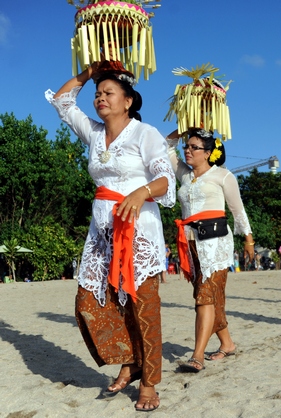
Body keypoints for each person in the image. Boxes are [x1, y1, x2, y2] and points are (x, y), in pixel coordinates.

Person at [45, 61, 176, 412]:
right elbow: (61, 102)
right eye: (98, 93)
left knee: (143, 307)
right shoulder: (93, 132)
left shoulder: (145, 133)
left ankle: (148, 382)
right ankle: (130, 359)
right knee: (90, 302)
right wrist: (90, 73)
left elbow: (166, 180)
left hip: (139, 231)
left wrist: (141, 192)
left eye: (108, 92)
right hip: (101, 234)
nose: (100, 98)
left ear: (128, 100)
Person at [167, 128, 254, 372]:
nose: (188, 150)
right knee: (210, 297)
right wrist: (183, 129)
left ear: (208, 153)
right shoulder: (184, 175)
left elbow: (238, 211)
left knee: (204, 297)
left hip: (216, 245)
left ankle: (197, 356)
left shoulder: (223, 176)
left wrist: (249, 240)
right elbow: (167, 148)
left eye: (194, 147)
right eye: (187, 145)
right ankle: (227, 343)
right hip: (191, 244)